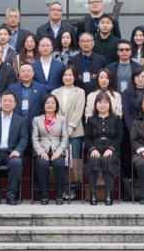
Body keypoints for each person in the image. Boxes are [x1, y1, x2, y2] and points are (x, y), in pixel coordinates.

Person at [0, 92, 28, 205]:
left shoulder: (21, 120)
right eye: (5, 101)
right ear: (0, 103)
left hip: (12, 153)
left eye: (10, 101)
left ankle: (11, 195)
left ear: (15, 104)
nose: (7, 103)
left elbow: (24, 138)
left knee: (16, 163)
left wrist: (18, 151)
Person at [83, 92, 123, 206]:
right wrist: (92, 149)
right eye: (99, 102)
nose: (103, 105)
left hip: (111, 149)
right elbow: (87, 138)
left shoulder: (116, 119)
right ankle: (93, 193)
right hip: (95, 148)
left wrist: (111, 149)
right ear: (95, 104)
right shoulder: (91, 119)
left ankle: (108, 193)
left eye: (106, 102)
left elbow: (120, 137)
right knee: (93, 159)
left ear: (110, 104)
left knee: (107, 160)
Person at [52, 65, 85, 197]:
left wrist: (70, 127)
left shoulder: (80, 92)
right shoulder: (55, 92)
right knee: (61, 159)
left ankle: (72, 189)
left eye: (70, 75)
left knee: (74, 159)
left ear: (75, 77)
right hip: (58, 132)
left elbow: (79, 111)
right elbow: (52, 111)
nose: (68, 77)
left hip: (75, 131)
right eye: (65, 75)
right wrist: (61, 129)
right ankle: (62, 188)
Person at [32, 94, 69, 205]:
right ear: (43, 105)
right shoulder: (36, 120)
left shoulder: (62, 119)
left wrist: (58, 152)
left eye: (52, 103)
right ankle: (44, 196)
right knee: (43, 165)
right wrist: (41, 152)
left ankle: (59, 195)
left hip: (57, 151)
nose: (50, 105)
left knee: (59, 165)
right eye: (47, 102)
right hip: (42, 151)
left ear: (56, 105)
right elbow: (34, 138)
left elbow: (65, 137)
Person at [123, 68, 144, 134]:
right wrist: (132, 130)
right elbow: (126, 112)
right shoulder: (127, 92)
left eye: (143, 76)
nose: (140, 79)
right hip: (132, 127)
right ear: (133, 78)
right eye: (137, 77)